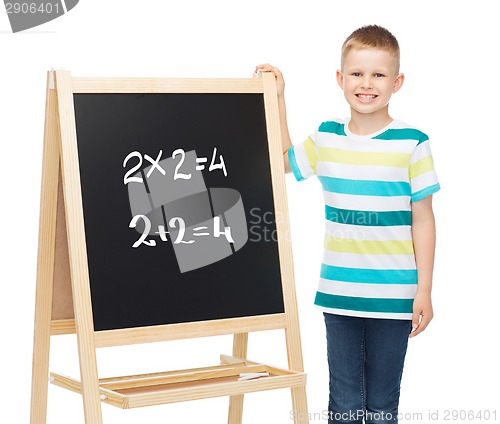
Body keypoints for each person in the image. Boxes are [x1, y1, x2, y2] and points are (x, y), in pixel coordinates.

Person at [256, 24, 440, 424]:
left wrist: (424, 289)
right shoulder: (327, 137)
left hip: (394, 298)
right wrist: (279, 97)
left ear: (397, 82)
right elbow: (282, 161)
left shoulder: (412, 142)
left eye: (378, 74)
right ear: (341, 79)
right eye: (357, 73)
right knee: (342, 404)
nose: (366, 84)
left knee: (380, 406)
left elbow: (423, 220)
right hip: (338, 295)